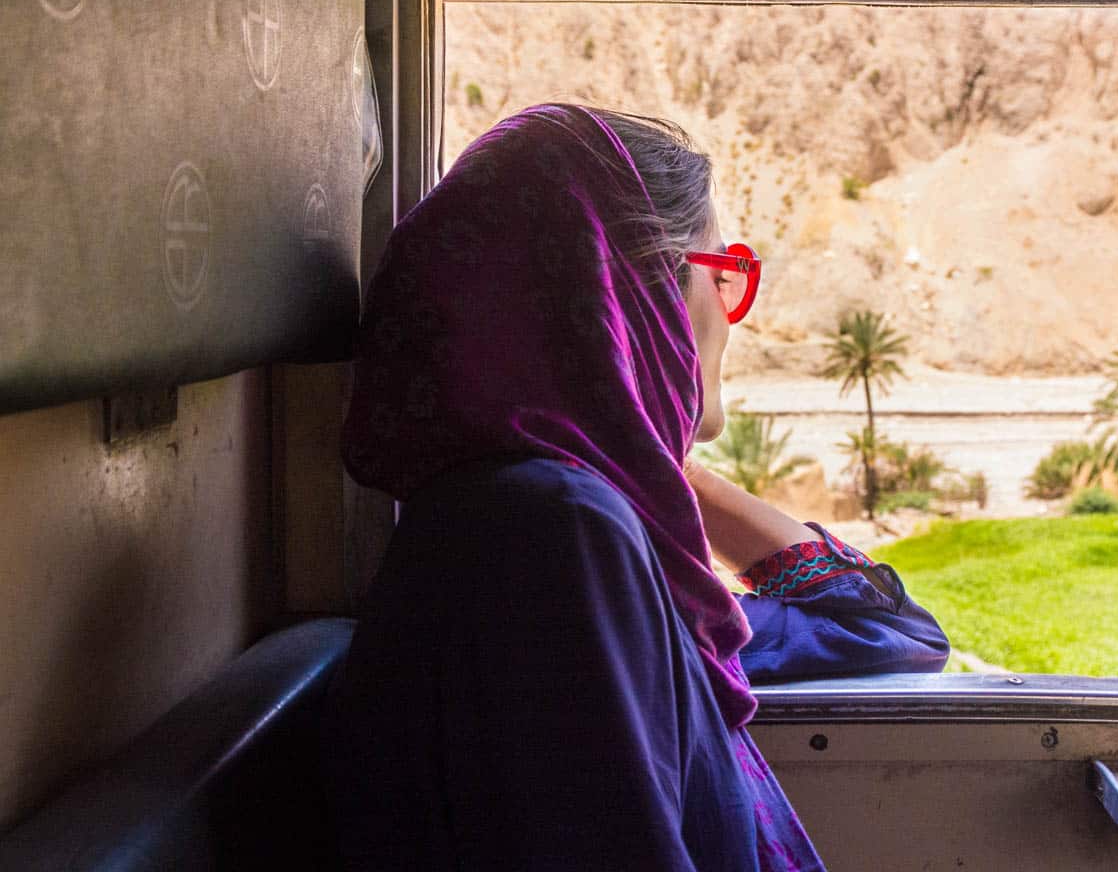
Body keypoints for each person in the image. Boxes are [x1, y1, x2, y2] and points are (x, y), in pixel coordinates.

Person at [326, 104, 949, 871]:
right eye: (724, 275)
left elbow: (888, 633)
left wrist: (642, 450)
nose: (732, 317)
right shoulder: (554, 538)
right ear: (636, 293)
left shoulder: (574, 531)